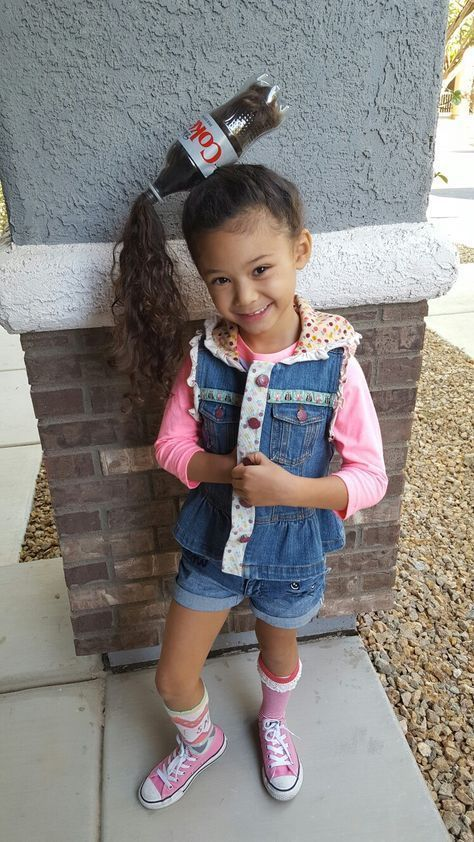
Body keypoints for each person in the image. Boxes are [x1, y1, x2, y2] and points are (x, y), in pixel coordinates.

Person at [110, 163, 389, 809]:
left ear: (300, 251)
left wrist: (292, 489)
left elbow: (369, 477)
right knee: (174, 675)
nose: (243, 295)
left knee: (280, 653)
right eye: (220, 279)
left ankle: (272, 721)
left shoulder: (335, 364)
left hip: (291, 557)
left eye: (260, 269)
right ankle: (198, 741)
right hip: (212, 547)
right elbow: (170, 446)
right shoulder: (202, 357)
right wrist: (223, 470)